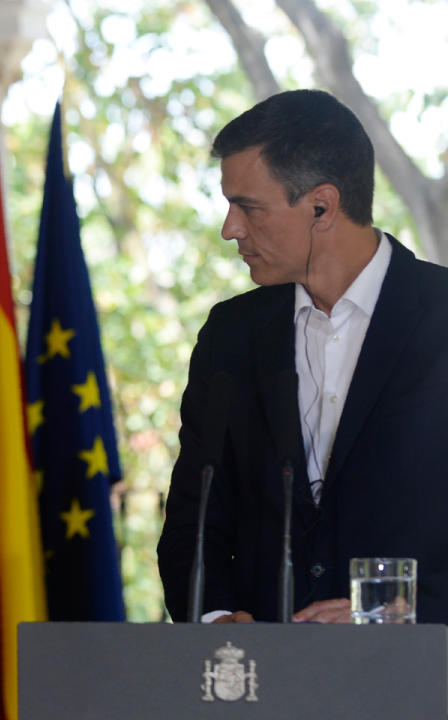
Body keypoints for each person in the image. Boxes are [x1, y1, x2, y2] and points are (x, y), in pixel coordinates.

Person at [157, 89, 448, 624]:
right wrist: (215, 618)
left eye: (248, 208)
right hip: (258, 690)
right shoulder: (231, 334)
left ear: (322, 205)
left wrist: (389, 615)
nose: (230, 229)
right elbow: (192, 521)